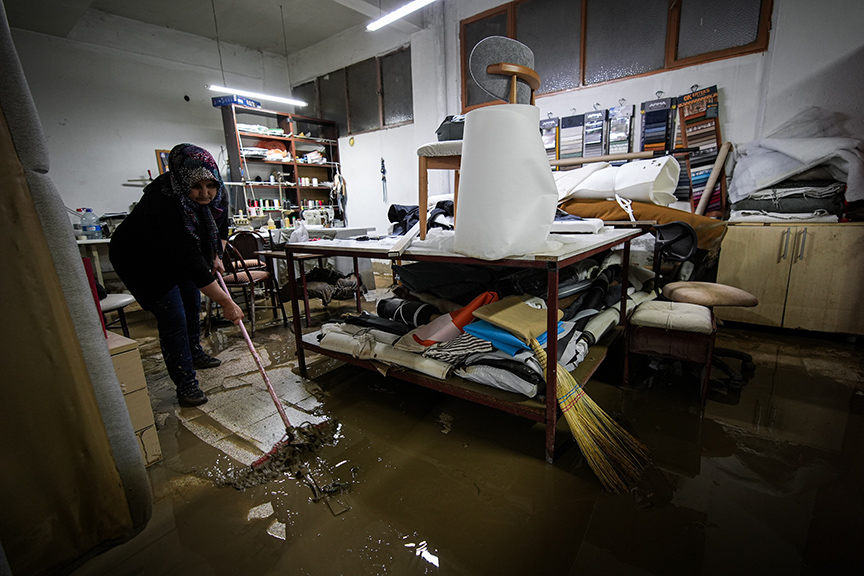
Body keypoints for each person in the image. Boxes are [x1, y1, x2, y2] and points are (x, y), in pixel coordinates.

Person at [110, 143, 243, 407]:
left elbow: (222, 227)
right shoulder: (164, 202)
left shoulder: (219, 194)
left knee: (192, 306)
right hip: (143, 260)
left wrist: (216, 256)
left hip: (180, 254)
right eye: (196, 187)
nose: (205, 193)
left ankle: (194, 353)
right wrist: (226, 302)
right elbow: (190, 262)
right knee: (174, 319)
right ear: (182, 181)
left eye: (210, 185)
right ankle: (185, 383)